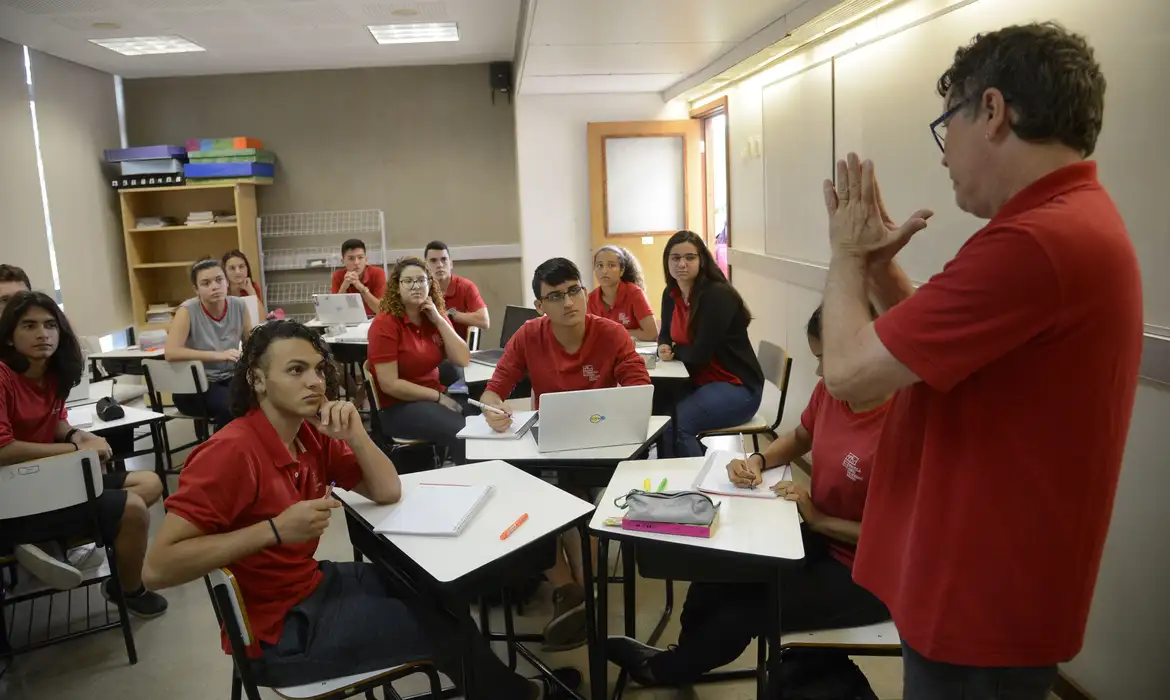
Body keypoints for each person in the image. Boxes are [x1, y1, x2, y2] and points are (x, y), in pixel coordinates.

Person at [818, 24, 1142, 700]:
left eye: (946, 127)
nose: (944, 158)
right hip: (979, 582)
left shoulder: (1037, 242)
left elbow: (847, 372)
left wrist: (846, 254)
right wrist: (878, 268)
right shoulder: (1061, 224)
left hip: (980, 598)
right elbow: (936, 348)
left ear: (993, 111)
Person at [142, 321, 574, 698]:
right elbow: (158, 569)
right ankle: (517, 693)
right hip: (280, 634)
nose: (315, 382)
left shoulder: (308, 435)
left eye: (317, 370)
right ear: (257, 379)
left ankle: (501, 688)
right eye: (295, 370)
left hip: (309, 587)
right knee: (440, 626)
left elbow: (387, 491)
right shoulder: (231, 453)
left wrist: (356, 436)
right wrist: (273, 530)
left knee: (439, 590)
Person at [606, 305, 889, 694]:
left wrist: (820, 520)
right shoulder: (833, 393)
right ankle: (682, 656)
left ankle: (666, 670)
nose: (821, 373)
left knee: (740, 614)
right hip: (821, 540)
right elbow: (801, 436)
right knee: (717, 572)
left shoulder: (904, 423)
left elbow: (906, 541)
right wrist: (757, 459)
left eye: (828, 359)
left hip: (872, 574)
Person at [478, 257, 651, 651]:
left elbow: (639, 390)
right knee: (520, 493)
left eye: (574, 290)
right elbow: (495, 388)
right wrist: (493, 410)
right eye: (555, 296)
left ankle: (577, 592)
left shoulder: (611, 334)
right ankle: (571, 589)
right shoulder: (529, 335)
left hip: (603, 447)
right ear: (541, 306)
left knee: (571, 500)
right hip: (547, 446)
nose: (569, 302)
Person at [0, 291, 167, 616]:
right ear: (9, 337)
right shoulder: (3, 376)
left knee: (149, 483)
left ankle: (48, 542)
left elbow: (56, 420)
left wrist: (80, 435)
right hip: (13, 493)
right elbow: (3, 448)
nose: (42, 334)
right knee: (132, 509)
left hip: (50, 481)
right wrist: (75, 450)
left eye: (50, 325)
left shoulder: (52, 373)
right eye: (29, 326)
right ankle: (128, 589)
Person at [658, 230, 763, 457]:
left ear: (702, 260)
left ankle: (698, 485)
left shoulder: (717, 296)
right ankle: (673, 479)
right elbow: (665, 332)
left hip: (737, 386)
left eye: (690, 257)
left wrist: (674, 351)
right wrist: (663, 346)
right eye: (675, 258)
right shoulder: (671, 294)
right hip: (700, 381)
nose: (682, 264)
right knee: (659, 415)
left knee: (678, 425)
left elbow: (699, 355)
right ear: (667, 261)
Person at [368, 257, 471, 464]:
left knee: (481, 419)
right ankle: (469, 486)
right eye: (408, 281)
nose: (416, 286)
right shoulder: (385, 324)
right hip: (398, 407)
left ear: (429, 284)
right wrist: (439, 398)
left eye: (421, 280)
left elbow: (462, 359)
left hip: (430, 395)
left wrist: (439, 320)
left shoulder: (433, 315)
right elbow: (389, 385)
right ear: (397, 287)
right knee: (463, 433)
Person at [165, 259, 254, 429]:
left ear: (227, 282)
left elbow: (251, 343)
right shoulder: (187, 310)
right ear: (196, 290)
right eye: (206, 283)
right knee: (233, 405)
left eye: (219, 280)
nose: (214, 286)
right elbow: (171, 352)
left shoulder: (239, 305)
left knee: (265, 399)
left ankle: (254, 449)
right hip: (194, 386)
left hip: (230, 379)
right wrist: (218, 355)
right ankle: (221, 450)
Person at [424, 241, 489, 387]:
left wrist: (450, 315)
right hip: (428, 352)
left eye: (443, 260)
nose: (439, 265)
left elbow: (485, 321)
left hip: (455, 356)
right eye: (433, 261)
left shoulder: (465, 287)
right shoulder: (420, 289)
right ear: (426, 266)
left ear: (451, 263)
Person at [587, 245, 657, 342]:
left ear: (621, 271)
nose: (604, 271)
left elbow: (652, 334)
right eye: (600, 265)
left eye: (611, 265)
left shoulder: (634, 293)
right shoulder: (590, 299)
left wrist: (613, 333)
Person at [331, 239, 387, 317]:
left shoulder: (378, 273)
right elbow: (335, 312)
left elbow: (381, 310)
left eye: (360, 257)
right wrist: (343, 288)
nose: (356, 263)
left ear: (366, 260)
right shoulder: (337, 276)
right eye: (351, 258)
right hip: (348, 320)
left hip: (373, 320)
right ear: (342, 261)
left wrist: (362, 289)